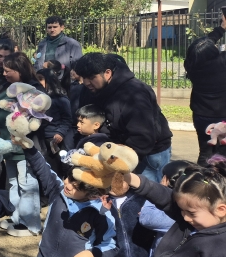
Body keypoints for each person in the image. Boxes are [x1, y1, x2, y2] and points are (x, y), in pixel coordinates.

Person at [74, 53, 172, 183]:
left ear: (107, 73)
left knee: (144, 196)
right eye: (84, 77)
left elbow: (143, 137)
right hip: (113, 152)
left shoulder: (135, 93)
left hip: (148, 154)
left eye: (91, 77)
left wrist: (118, 162)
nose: (86, 82)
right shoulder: (89, 89)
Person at [0, 53, 43, 237]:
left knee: (27, 183)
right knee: (13, 182)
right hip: (8, 145)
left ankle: (31, 223)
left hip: (25, 147)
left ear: (20, 70)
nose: (4, 74)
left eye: (8, 71)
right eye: (4, 70)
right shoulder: (7, 88)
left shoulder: (34, 90)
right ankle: (17, 217)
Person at [182, 12, 226, 164]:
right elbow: (207, 44)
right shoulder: (221, 64)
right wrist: (222, 28)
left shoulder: (191, 65)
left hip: (201, 116)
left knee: (206, 152)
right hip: (221, 118)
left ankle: (202, 181)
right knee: (222, 154)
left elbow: (202, 46)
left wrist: (221, 28)